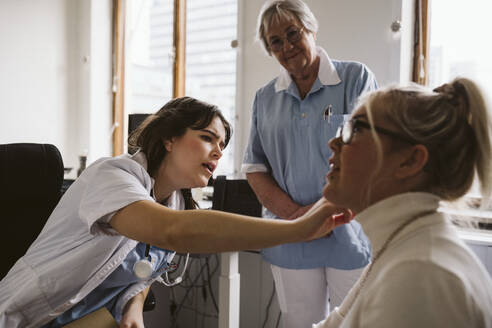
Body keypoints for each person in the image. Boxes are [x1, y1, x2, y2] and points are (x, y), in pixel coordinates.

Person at [0, 97, 351, 328]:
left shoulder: (176, 201)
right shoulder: (113, 175)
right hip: (29, 317)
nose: (218, 152)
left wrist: (134, 304)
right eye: (207, 138)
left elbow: (143, 270)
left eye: (223, 145)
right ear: (169, 138)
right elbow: (173, 231)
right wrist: (298, 229)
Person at [314, 77, 492, 327]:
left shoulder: (420, 275)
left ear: (410, 161)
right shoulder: (401, 246)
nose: (334, 143)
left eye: (357, 129)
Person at [242, 0, 377, 326]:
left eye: (293, 33)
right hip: (291, 235)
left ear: (311, 29)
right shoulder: (265, 97)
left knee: (355, 321)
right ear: (269, 49)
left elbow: (372, 153)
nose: (286, 46)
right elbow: (254, 166)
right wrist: (295, 217)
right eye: (275, 42)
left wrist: (324, 215)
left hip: (348, 230)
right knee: (298, 321)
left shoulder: (355, 78)